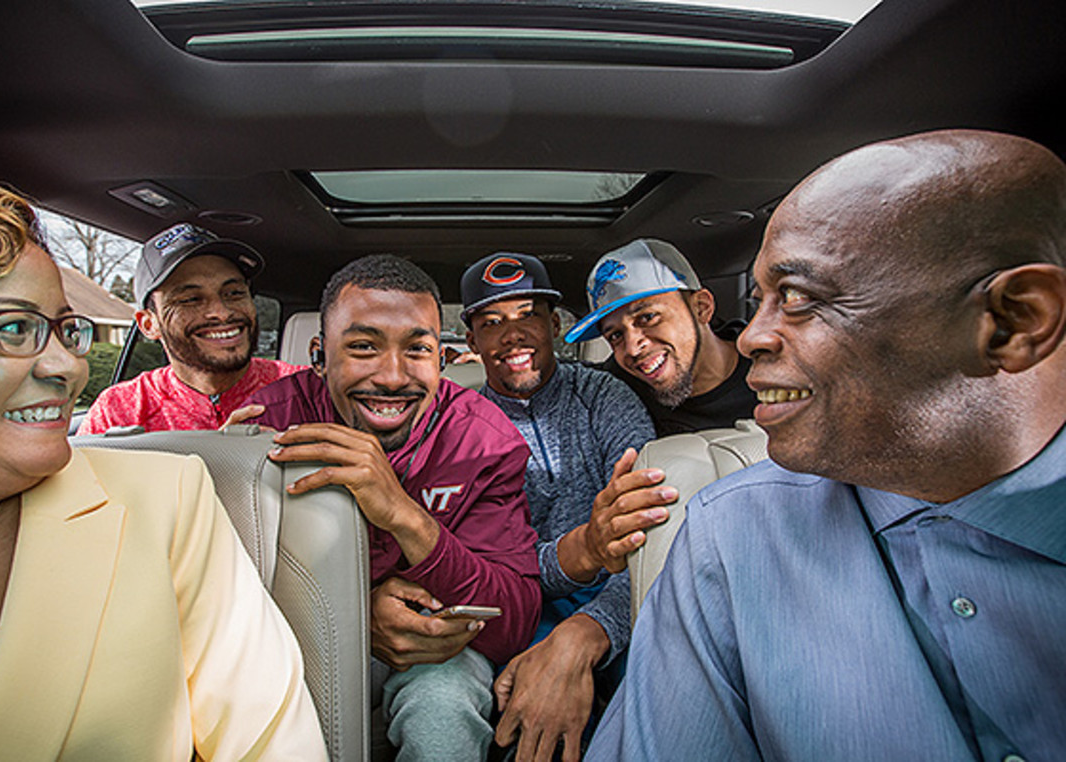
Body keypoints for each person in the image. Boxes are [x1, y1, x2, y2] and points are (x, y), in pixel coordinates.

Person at [586, 129, 1066, 761]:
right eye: (760, 300)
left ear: (1012, 321)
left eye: (799, 296)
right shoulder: (726, 535)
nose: (756, 337)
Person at [0, 180, 326, 760]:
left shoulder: (294, 400)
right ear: (149, 324)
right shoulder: (119, 410)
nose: (69, 367)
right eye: (13, 328)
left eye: (66, 330)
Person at [231, 254, 542, 761]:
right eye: (363, 347)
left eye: (417, 350)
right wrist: (354, 614)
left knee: (442, 707)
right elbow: (222, 597)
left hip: (434, 647)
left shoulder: (483, 441)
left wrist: (403, 514)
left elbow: (513, 620)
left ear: (441, 359)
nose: (393, 377)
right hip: (299, 636)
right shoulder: (271, 423)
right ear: (319, 355)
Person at [457, 252, 673, 762]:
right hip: (515, 610)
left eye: (527, 315)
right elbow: (491, 572)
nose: (512, 335)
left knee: (660, 689)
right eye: (491, 323)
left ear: (554, 324)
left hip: (620, 598)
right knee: (529, 717)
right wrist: (585, 552)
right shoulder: (460, 426)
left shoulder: (605, 397)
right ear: (471, 343)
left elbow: (645, 538)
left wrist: (594, 629)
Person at [78, 222, 302, 434]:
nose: (222, 313)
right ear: (149, 324)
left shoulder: (306, 389)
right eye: (191, 299)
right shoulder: (118, 411)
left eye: (234, 293)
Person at [564, 238, 755, 436]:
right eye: (616, 335)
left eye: (647, 318)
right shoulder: (619, 386)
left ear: (701, 308)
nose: (632, 348)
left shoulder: (772, 372)